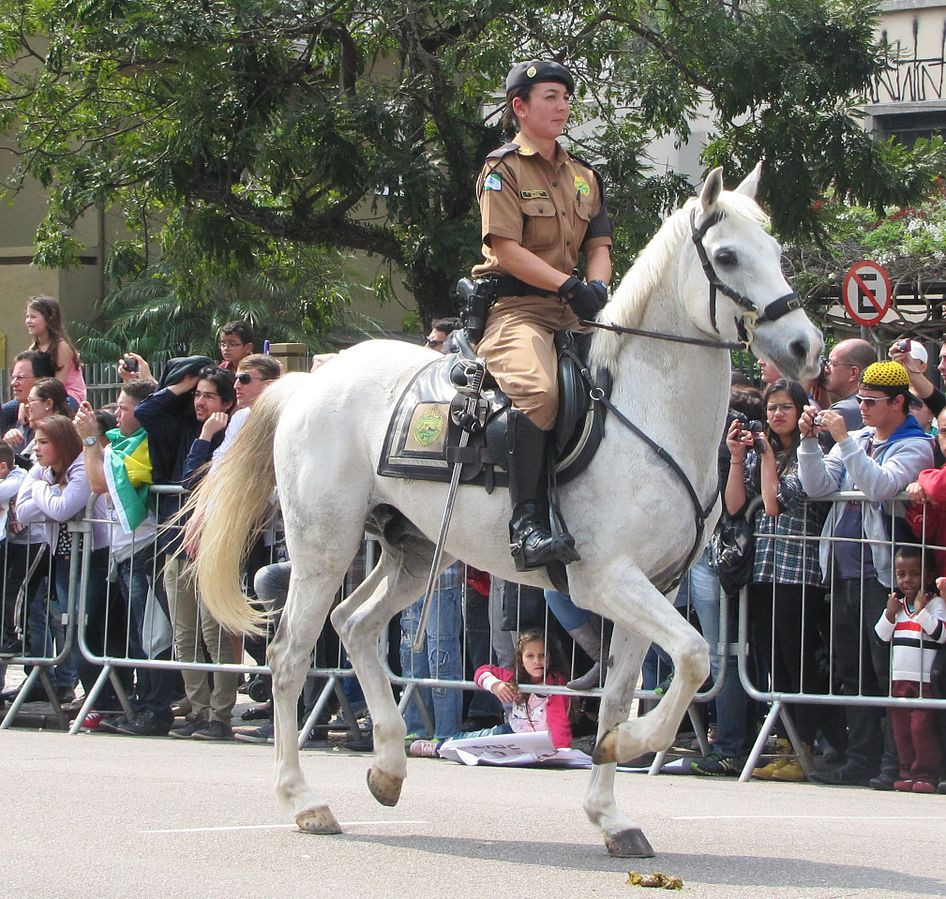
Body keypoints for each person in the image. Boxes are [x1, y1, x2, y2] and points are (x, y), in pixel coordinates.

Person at [471, 60, 612, 571]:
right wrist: (567, 284)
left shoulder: (584, 176)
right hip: (517, 310)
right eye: (549, 96)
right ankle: (526, 522)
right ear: (520, 107)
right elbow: (505, 249)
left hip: (573, 311)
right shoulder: (502, 170)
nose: (562, 106)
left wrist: (597, 285)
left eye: (566, 97)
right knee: (539, 390)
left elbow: (599, 244)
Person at [799, 361, 934, 788]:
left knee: (885, 670)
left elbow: (879, 486)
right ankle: (860, 758)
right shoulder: (856, 439)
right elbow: (817, 487)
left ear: (899, 402)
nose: (862, 408)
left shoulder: (916, 445)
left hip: (885, 575)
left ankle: (893, 763)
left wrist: (842, 439)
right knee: (851, 668)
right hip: (843, 569)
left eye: (871, 402)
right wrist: (808, 443)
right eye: (860, 400)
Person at [700, 380, 828, 780]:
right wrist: (739, 458)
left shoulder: (810, 452)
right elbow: (736, 505)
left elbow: (772, 503)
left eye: (786, 407)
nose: (777, 415)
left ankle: (806, 743)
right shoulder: (760, 452)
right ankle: (788, 744)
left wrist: (768, 454)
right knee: (771, 660)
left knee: (797, 662)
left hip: (798, 571)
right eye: (772, 408)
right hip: (763, 569)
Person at [14, 414, 121, 708]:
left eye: (43, 442)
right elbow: (22, 514)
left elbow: (62, 509)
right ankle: (95, 698)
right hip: (63, 558)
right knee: (70, 629)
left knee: (84, 630)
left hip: (93, 558)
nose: (36, 449)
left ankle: (104, 701)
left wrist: (38, 487)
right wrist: (45, 487)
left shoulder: (78, 469)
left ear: (61, 443)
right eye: (35, 442)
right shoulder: (45, 473)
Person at [409, 628, 571, 756]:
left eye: (542, 655)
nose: (537, 661)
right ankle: (439, 747)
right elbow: (482, 671)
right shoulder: (514, 677)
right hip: (511, 733)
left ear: (550, 657)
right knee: (474, 741)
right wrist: (495, 685)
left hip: (543, 742)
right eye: (530, 656)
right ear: (521, 659)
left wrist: (562, 751)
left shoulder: (556, 684)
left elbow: (559, 719)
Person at [873, 548, 946, 793]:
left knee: (921, 729)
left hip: (923, 680)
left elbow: (941, 634)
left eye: (914, 573)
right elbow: (880, 638)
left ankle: (926, 773)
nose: (907, 580)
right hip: (900, 679)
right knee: (901, 729)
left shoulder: (934, 604)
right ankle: (906, 772)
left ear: (927, 575)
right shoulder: (897, 605)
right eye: (901, 573)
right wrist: (890, 613)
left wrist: (921, 610)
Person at [24, 295, 86, 405]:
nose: (28, 321)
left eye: (33, 317)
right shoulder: (34, 348)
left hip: (67, 395)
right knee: (7, 410)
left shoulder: (61, 347)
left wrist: (33, 404)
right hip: (42, 396)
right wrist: (25, 403)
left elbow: (58, 385)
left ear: (49, 319)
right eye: (27, 316)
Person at [819, 339, 876, 451]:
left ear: (853, 372)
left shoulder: (845, 409)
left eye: (831, 363)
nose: (825, 369)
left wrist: (804, 384)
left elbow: (804, 440)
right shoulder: (862, 403)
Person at [2, 350, 56, 450]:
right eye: (13, 378)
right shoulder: (17, 416)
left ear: (42, 380)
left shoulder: (58, 430)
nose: (13, 383)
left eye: (20, 378)